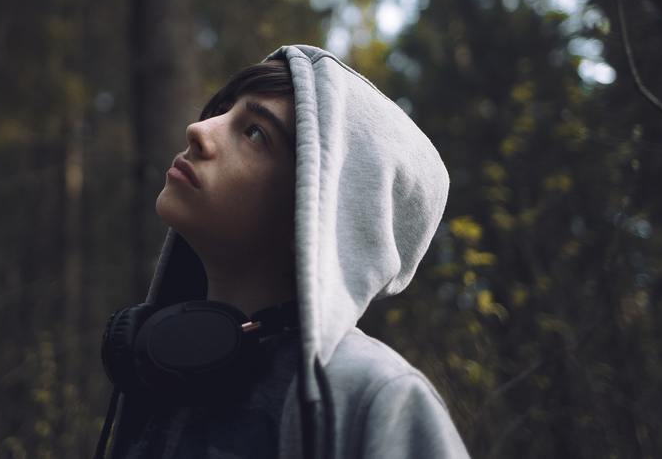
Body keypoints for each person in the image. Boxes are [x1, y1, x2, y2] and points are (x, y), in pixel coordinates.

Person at [96, 44, 469, 458]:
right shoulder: (165, 367)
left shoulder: (375, 395)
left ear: (319, 205)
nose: (200, 130)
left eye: (255, 132)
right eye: (222, 110)